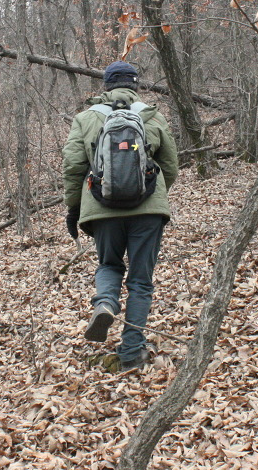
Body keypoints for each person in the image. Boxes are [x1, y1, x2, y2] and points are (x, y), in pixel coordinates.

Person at [62, 61, 179, 371]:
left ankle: (105, 303)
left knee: (109, 265)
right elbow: (170, 167)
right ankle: (131, 353)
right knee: (141, 281)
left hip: (101, 209)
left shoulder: (85, 118)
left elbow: (73, 167)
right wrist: (152, 193)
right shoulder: (152, 116)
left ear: (106, 86)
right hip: (148, 212)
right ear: (135, 85)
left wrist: (74, 208)